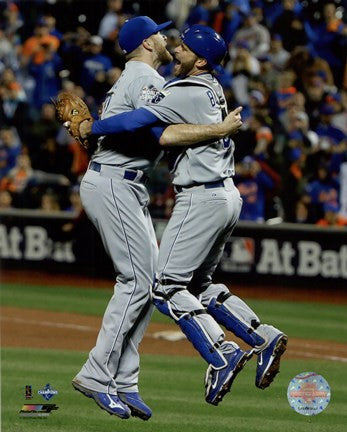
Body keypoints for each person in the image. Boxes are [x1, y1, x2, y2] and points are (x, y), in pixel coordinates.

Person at [79, 24, 287, 407]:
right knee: (195, 286)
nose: (174, 48)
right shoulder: (209, 85)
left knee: (165, 288)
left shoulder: (183, 88)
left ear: (201, 60)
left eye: (184, 47)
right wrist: (219, 128)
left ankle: (221, 354)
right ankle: (263, 336)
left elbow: (145, 126)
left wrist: (94, 126)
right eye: (169, 40)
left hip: (201, 198)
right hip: (224, 195)